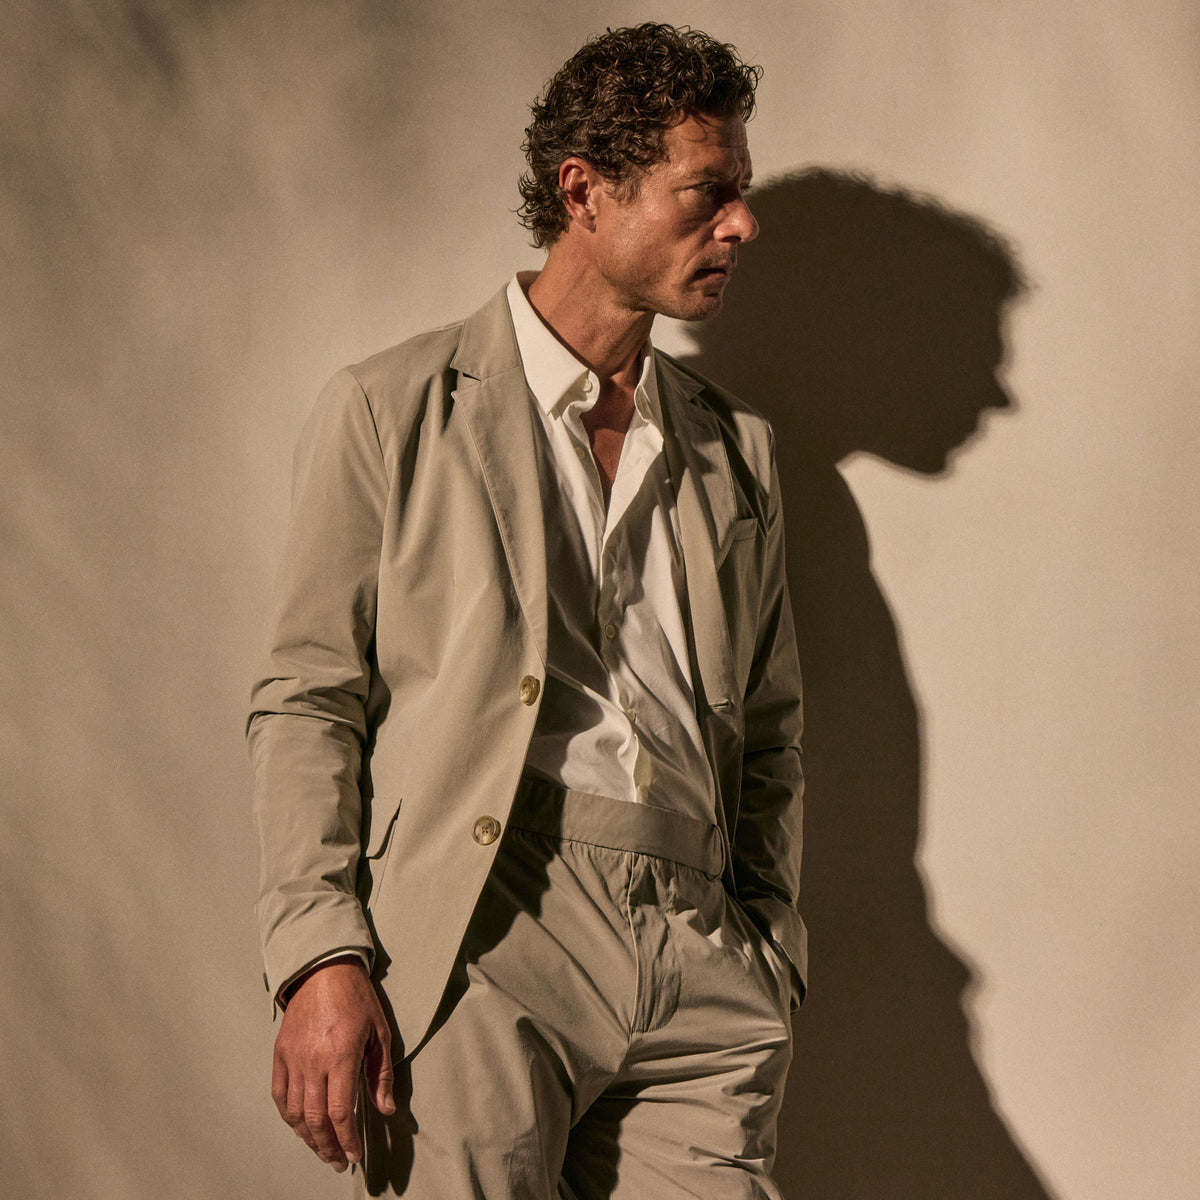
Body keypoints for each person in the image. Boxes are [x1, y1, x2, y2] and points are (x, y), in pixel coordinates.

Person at [249, 22, 805, 1199]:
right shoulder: (392, 411)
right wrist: (317, 953)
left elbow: (770, 732)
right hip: (488, 922)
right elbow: (309, 700)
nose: (742, 225)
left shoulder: (737, 450)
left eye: (743, 192)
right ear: (583, 192)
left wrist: (768, 944)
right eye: (708, 192)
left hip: (700, 946)